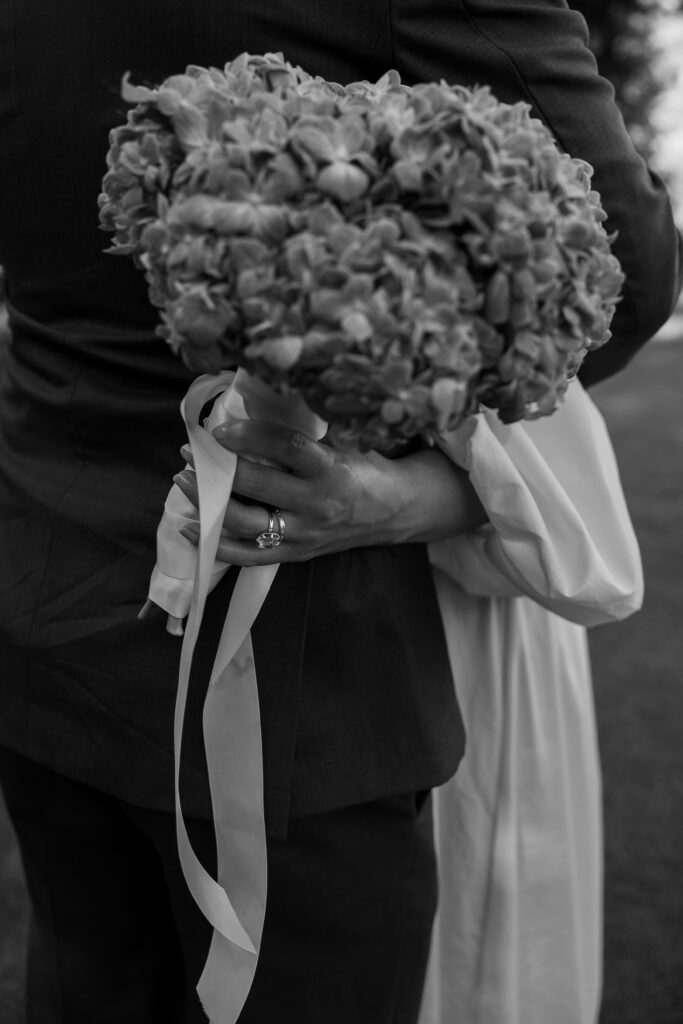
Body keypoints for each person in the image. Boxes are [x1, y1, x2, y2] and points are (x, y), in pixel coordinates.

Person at [0, 2, 680, 1022]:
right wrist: (424, 474)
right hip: (308, 662)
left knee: (89, 977)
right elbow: (609, 279)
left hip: (46, 597)